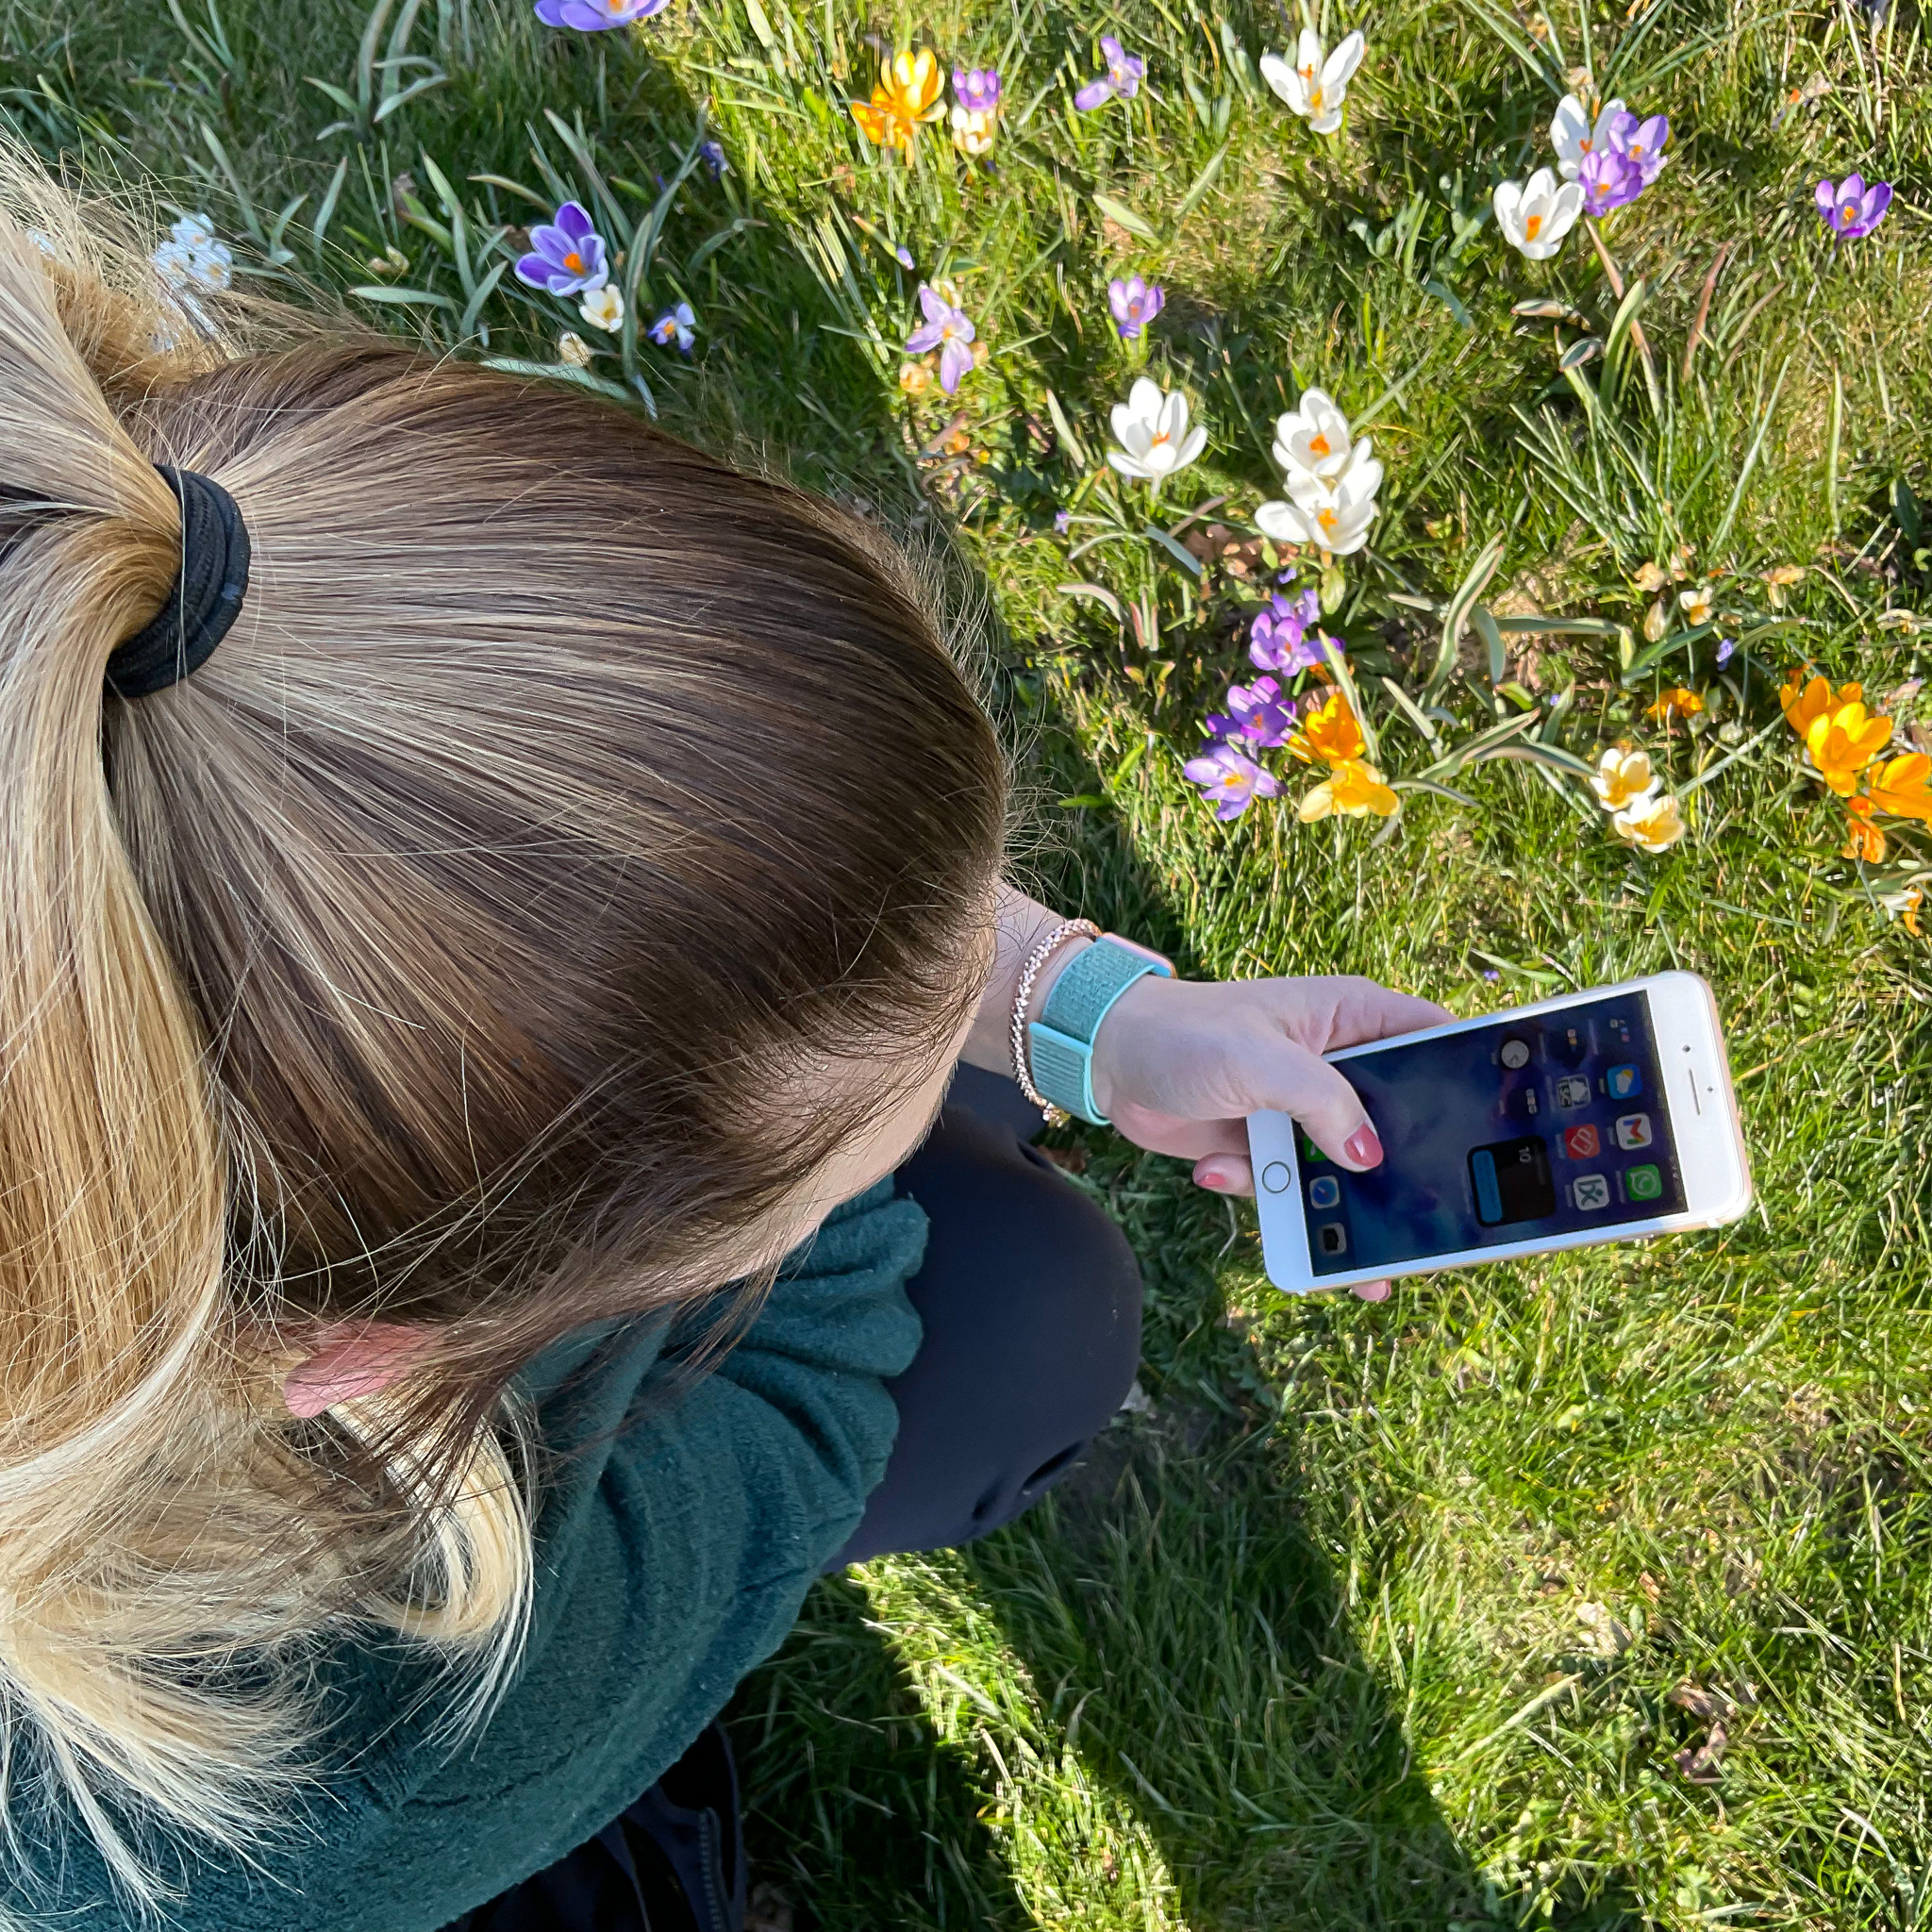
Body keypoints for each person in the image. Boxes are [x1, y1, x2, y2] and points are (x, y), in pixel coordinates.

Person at [0, 151, 1448, 1931]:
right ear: (368, 1360)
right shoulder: (295, 1775)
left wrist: (1081, 1014)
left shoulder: (130, 596)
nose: (958, 1076)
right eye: (838, 1165)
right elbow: (802, 1404)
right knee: (1027, 1322)